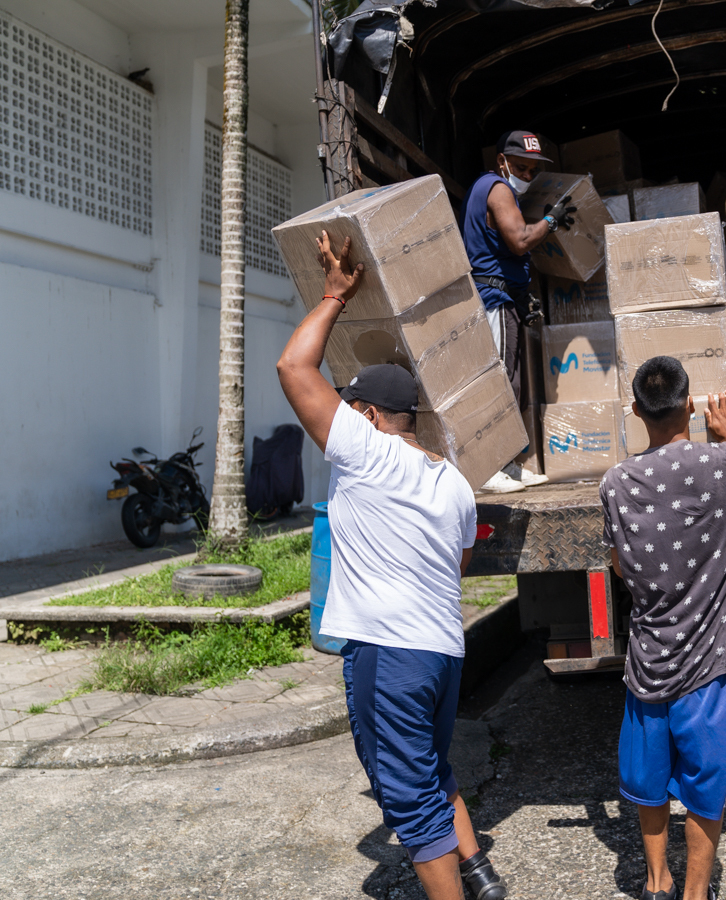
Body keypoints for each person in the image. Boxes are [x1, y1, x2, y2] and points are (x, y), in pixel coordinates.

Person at [276, 232, 507, 900]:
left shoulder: (367, 452)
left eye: (352, 406)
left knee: (406, 797)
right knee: (429, 768)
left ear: (372, 415)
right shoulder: (453, 481)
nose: (341, 414)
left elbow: (294, 369)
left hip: (390, 651)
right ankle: (478, 873)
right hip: (440, 648)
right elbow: (458, 563)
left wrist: (334, 296)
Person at [600, 357, 726, 900]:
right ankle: (695, 892)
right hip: (713, 664)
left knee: (647, 782)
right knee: (706, 788)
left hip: (648, 665)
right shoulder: (724, 462)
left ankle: (657, 881)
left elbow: (616, 562)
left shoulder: (615, 482)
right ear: (689, 406)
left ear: (636, 412)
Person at [463, 129, 574, 493]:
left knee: (512, 382)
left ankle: (508, 465)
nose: (526, 176)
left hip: (504, 298)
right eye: (521, 168)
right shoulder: (496, 188)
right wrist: (552, 221)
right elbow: (521, 240)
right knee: (498, 383)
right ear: (502, 161)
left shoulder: (498, 190)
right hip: (492, 300)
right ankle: (488, 468)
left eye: (531, 171)